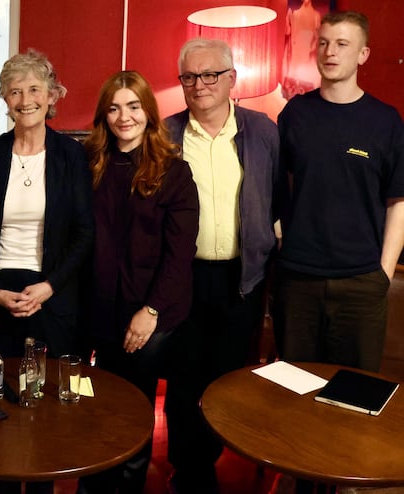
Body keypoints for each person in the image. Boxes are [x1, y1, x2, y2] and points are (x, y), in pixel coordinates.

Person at [0, 49, 94, 494]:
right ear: (4, 97)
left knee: (43, 411)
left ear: (51, 96)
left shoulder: (70, 156)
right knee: (0, 403)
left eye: (34, 89)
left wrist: (48, 287)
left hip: (51, 295)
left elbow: (84, 234)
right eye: (15, 90)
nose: (25, 99)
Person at [163, 37, 284, 494]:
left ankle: (209, 459)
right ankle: (186, 468)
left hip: (242, 278)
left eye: (210, 74)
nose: (200, 85)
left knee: (225, 377)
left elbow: (274, 195)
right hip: (183, 279)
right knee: (183, 379)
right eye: (190, 76)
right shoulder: (167, 133)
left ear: (231, 79)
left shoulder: (262, 130)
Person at [76, 70, 199, 494]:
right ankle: (93, 484)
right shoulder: (88, 164)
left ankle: (128, 485)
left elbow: (179, 255)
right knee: (93, 405)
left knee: (133, 407)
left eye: (132, 106)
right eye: (113, 108)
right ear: (103, 115)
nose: (123, 116)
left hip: (149, 311)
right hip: (97, 309)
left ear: (148, 111)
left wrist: (150, 314)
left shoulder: (174, 172)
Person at [276, 9, 404, 402]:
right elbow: (276, 188)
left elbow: (398, 201)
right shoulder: (295, 114)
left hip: (361, 281)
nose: (330, 52)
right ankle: (293, 466)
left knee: (354, 397)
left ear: (363, 54)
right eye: (325, 42)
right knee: (296, 388)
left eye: (343, 44)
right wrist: (283, 237)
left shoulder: (386, 121)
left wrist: (382, 271)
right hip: (298, 280)